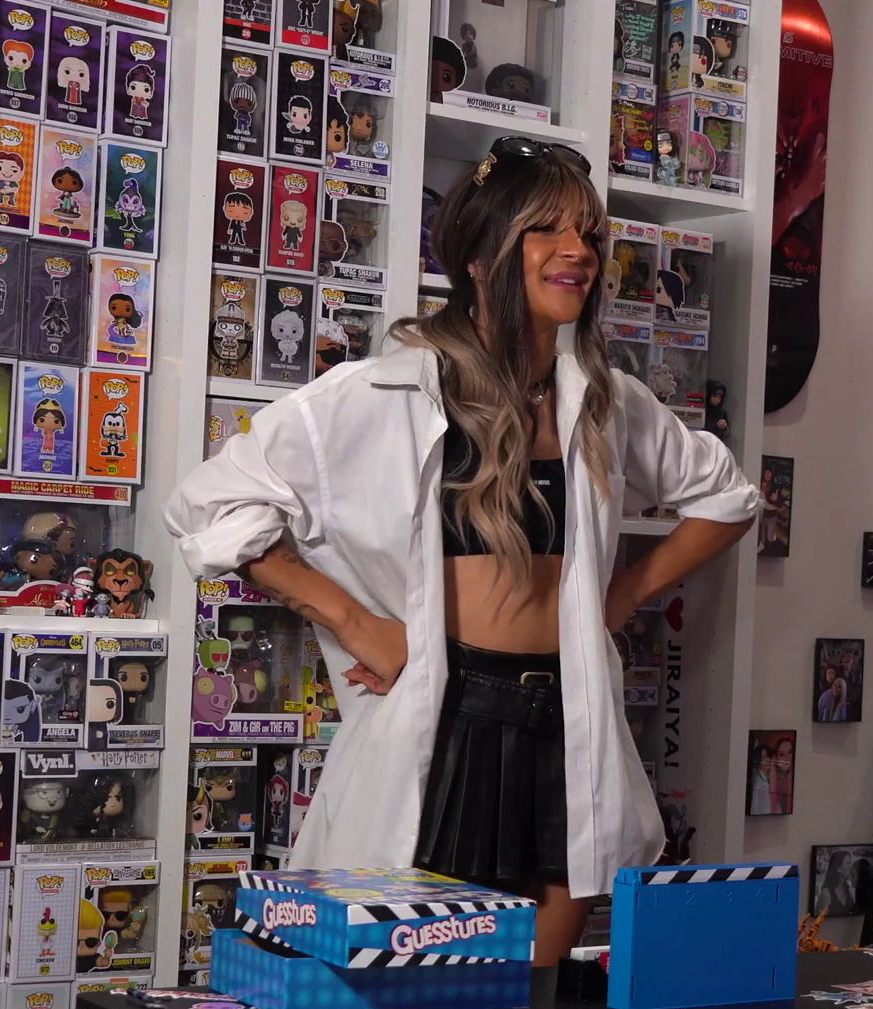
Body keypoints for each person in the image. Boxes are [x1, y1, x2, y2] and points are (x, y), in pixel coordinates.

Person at [165, 137, 758, 965]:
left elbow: (728, 498)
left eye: (588, 232)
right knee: (414, 996)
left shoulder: (604, 400)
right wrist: (355, 622)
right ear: (480, 256)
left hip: (568, 726)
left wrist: (620, 597)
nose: (578, 251)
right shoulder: (380, 392)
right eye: (546, 229)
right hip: (448, 722)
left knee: (531, 1000)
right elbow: (208, 505)